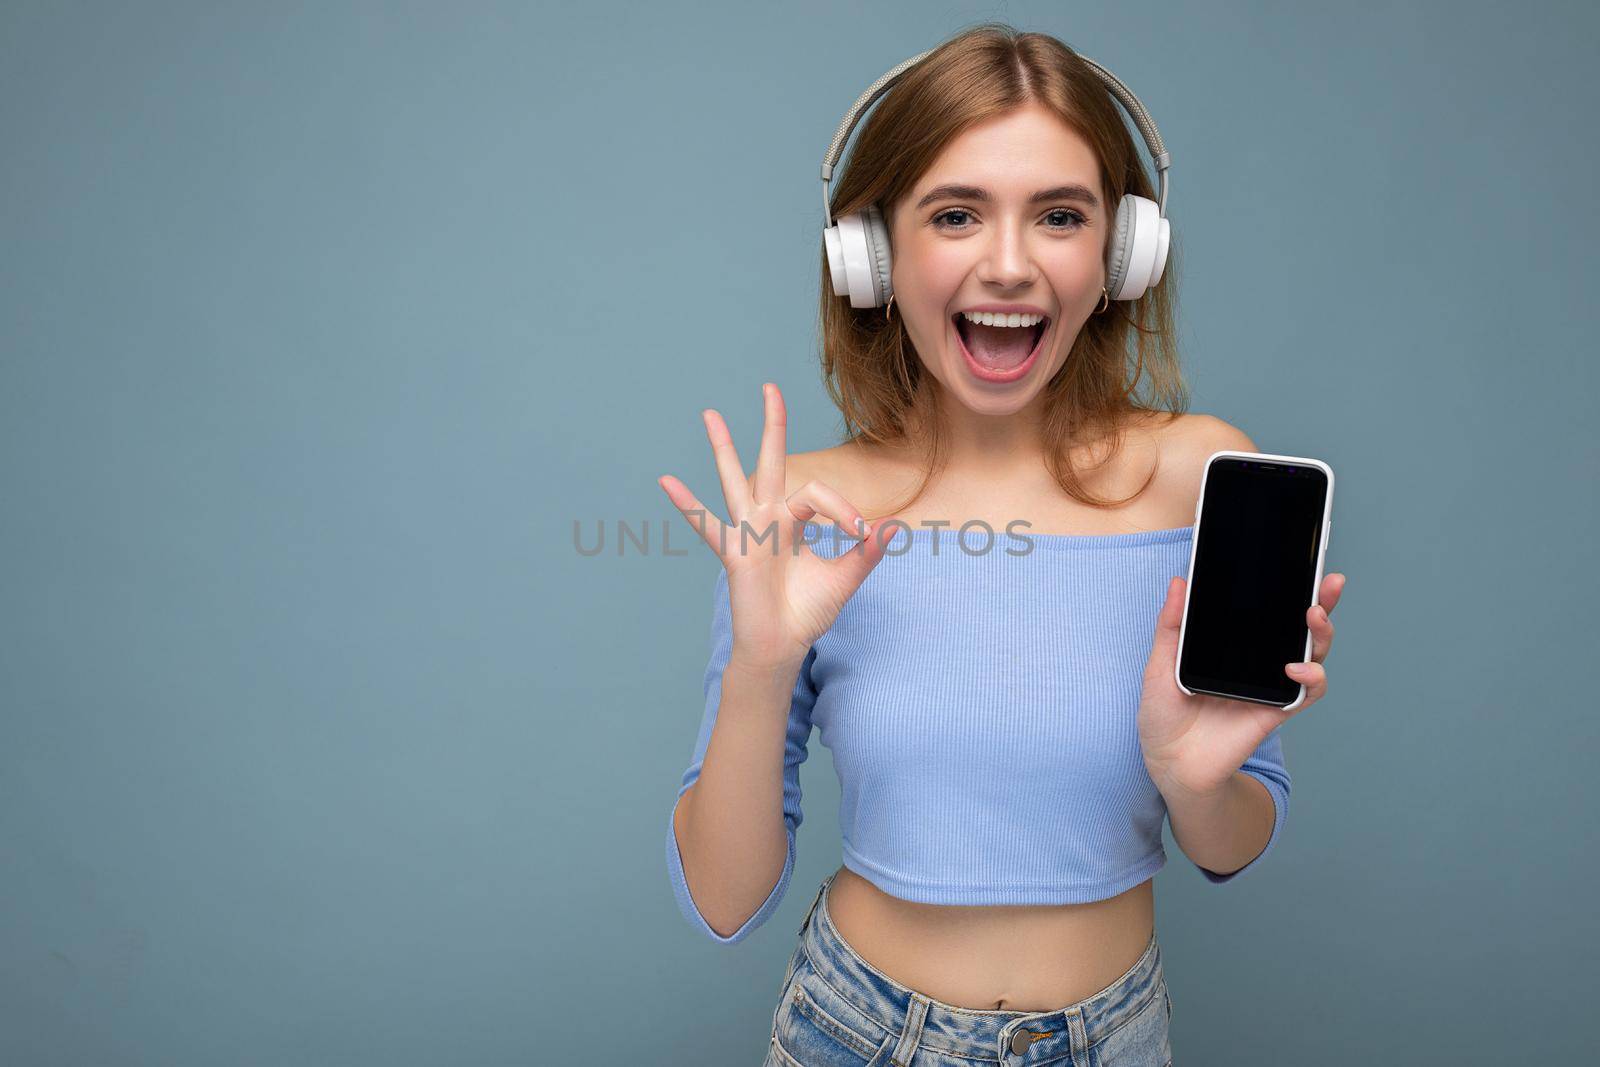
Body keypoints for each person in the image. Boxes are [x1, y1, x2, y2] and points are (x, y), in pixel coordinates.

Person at [658, 23, 1345, 1066]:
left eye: (1060, 216)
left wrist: (1189, 775)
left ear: (1121, 252)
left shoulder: (1200, 475)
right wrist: (760, 662)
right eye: (956, 214)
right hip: (857, 1031)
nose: (1011, 265)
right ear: (874, 253)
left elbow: (1236, 843)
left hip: (1116, 1034)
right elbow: (721, 898)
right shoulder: (806, 507)